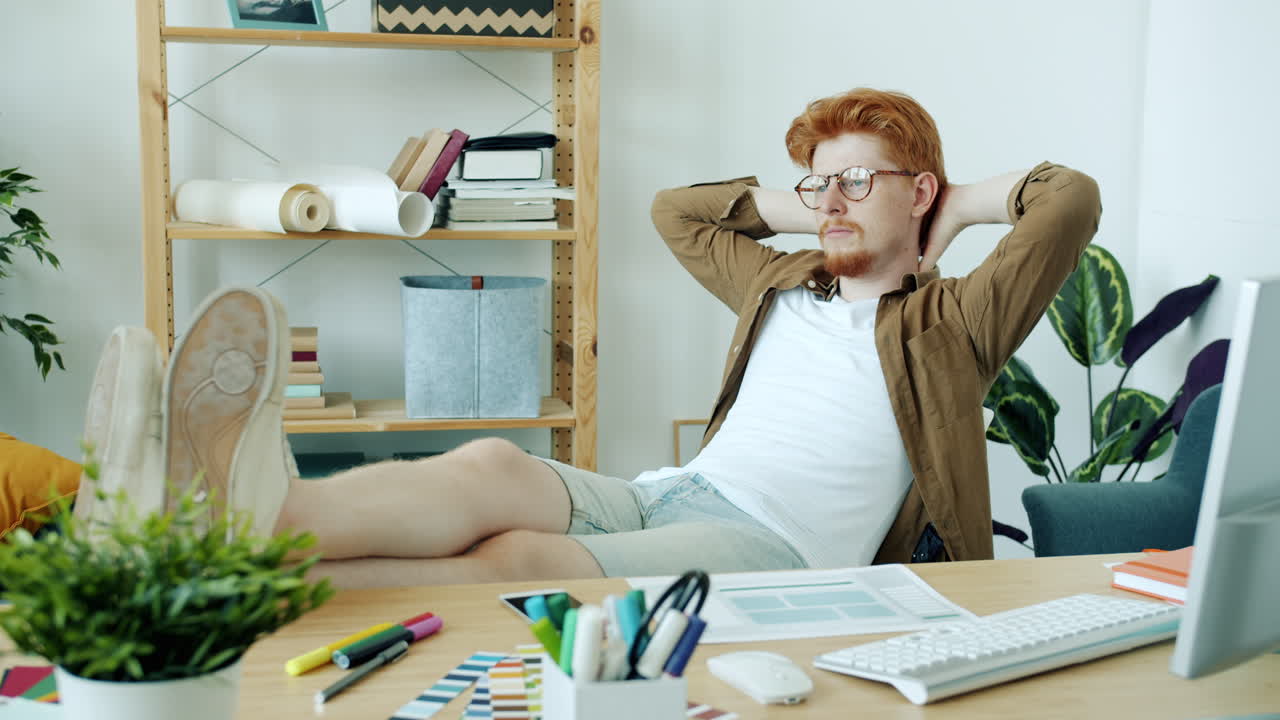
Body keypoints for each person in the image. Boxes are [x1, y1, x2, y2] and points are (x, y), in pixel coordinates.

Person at [79, 88, 1100, 589]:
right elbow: (675, 211)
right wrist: (831, 211)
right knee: (490, 464)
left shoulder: (951, 322)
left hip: (779, 549)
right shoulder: (780, 280)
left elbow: (1066, 204)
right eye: (816, 180)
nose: (829, 200)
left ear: (917, 191)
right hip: (670, 494)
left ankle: (226, 572)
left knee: (521, 556)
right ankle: (236, 517)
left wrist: (944, 208)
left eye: (857, 180)